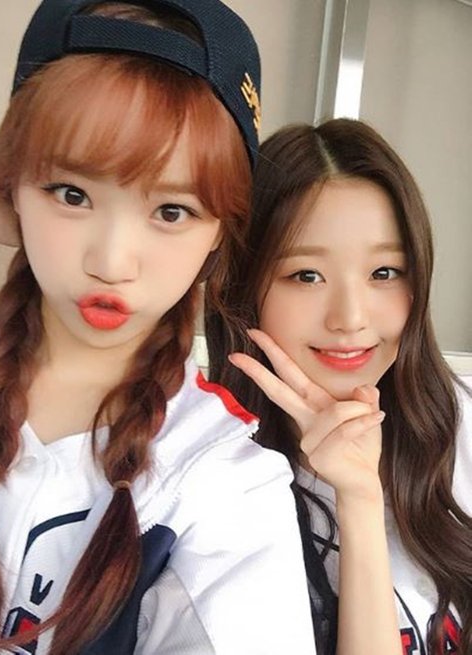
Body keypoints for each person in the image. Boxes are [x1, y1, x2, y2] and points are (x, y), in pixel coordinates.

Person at [0, 2, 317, 653]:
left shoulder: (224, 478)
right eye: (72, 194)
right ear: (11, 193)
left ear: (220, 233)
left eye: (171, 210)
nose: (113, 262)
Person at [206, 118, 472, 655]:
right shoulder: (210, 480)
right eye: (306, 275)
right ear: (244, 287)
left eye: (384, 273)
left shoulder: (461, 424)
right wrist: (357, 498)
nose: (350, 319)